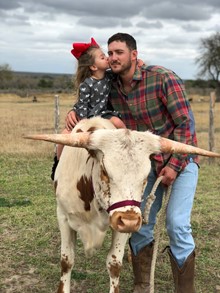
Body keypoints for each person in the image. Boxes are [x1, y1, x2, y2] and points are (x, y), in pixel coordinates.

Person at [65, 33, 199, 293]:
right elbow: (91, 95)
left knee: (176, 224)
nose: (113, 57)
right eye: (110, 53)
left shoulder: (163, 78)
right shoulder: (111, 82)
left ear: (134, 55)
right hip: (141, 166)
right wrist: (74, 110)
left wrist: (173, 165)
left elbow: (186, 125)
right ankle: (141, 286)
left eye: (119, 52)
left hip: (179, 163)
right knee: (138, 222)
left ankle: (185, 290)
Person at [51, 37, 126, 180]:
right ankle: (58, 164)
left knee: (118, 123)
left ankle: (126, 151)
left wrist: (140, 62)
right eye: (103, 57)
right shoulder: (87, 84)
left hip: (103, 113)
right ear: (93, 66)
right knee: (64, 135)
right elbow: (82, 104)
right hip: (87, 115)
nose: (108, 59)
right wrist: (83, 122)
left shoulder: (109, 77)